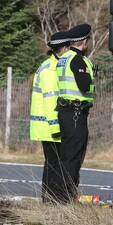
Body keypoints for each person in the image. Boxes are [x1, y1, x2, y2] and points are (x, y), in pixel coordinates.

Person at [50, 24, 94, 201]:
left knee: (66, 155)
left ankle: (61, 194)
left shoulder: (64, 58)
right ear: (84, 42)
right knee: (73, 157)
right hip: (76, 112)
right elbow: (84, 86)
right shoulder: (77, 60)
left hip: (66, 112)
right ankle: (66, 195)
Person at [30, 40, 66, 202]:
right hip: (50, 125)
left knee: (52, 163)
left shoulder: (50, 66)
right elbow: (51, 100)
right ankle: (50, 198)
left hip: (47, 124)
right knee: (54, 164)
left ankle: (49, 198)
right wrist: (56, 126)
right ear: (63, 49)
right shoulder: (50, 69)